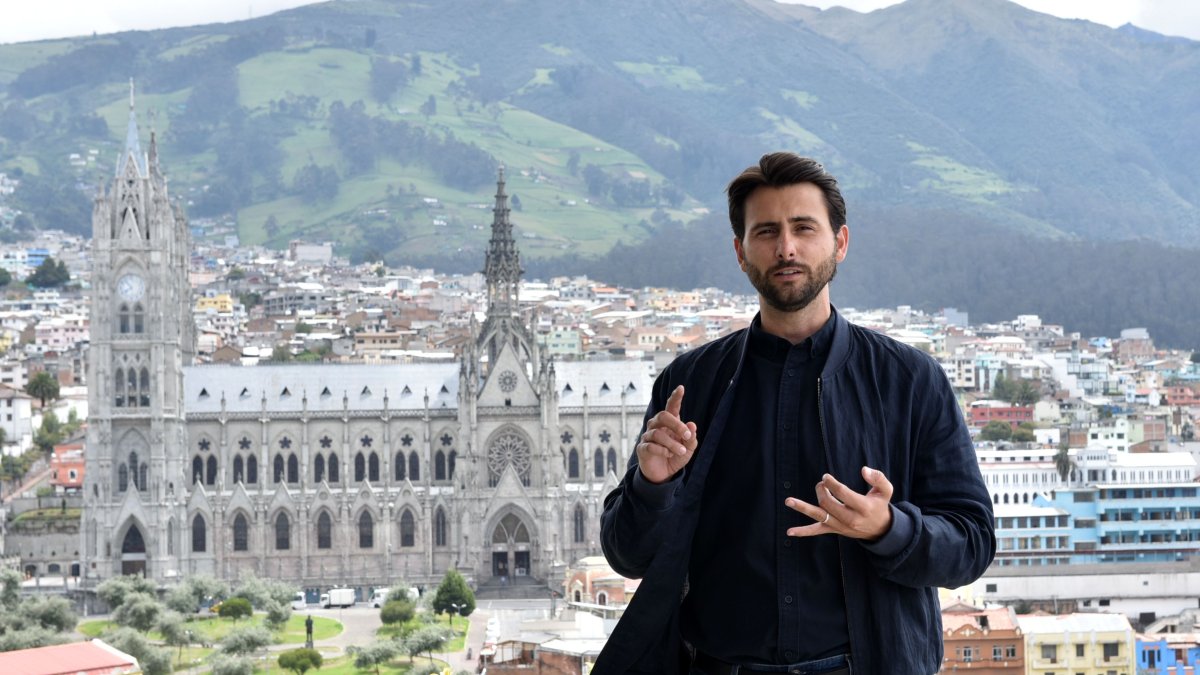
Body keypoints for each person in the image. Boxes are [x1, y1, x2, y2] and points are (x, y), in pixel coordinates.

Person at [593, 152, 995, 675]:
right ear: (741, 252)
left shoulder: (911, 381)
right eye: (766, 232)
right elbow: (629, 556)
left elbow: (972, 543)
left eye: (804, 227)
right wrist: (652, 487)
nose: (786, 247)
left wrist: (888, 528)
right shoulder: (691, 384)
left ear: (840, 243)